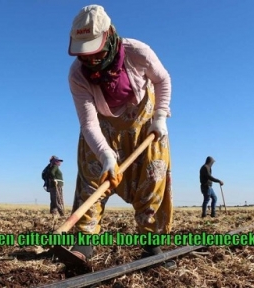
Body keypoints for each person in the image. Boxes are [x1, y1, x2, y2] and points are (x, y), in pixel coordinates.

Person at [62, 5, 174, 268]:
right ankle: (82, 249)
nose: (89, 59)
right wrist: (105, 155)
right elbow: (88, 122)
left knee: (152, 176)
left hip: (144, 123)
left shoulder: (138, 52)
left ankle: (151, 248)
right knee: (93, 178)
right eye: (84, 53)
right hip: (103, 129)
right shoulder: (77, 75)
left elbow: (163, 80)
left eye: (94, 50)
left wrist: (159, 116)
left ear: (109, 35)